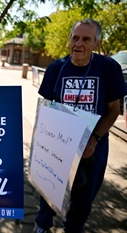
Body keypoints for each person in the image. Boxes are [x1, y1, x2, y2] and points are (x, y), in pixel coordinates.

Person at [32, 19, 127, 233]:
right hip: (58, 144)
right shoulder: (57, 68)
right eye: (75, 38)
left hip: (93, 145)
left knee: (84, 198)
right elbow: (45, 108)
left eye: (86, 39)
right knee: (49, 187)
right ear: (69, 40)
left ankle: (73, 228)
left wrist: (94, 139)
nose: (79, 44)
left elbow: (114, 110)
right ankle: (42, 225)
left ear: (97, 43)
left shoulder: (109, 68)